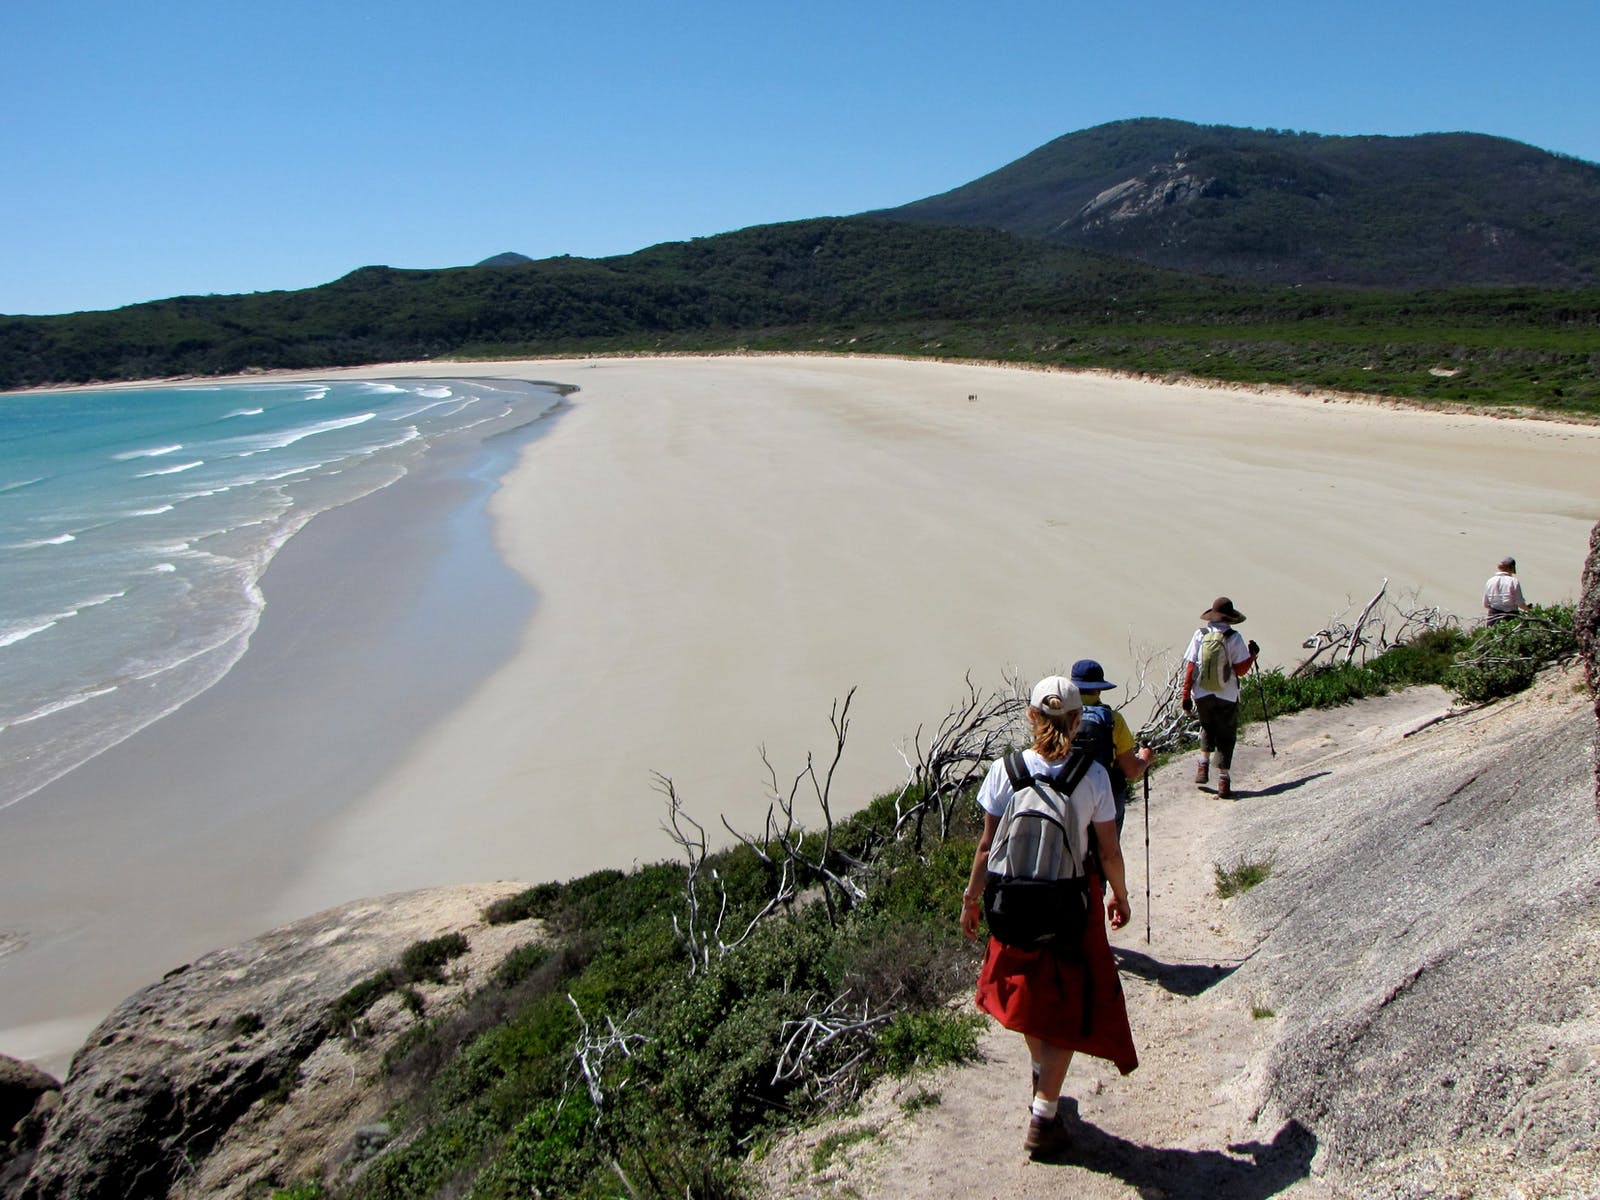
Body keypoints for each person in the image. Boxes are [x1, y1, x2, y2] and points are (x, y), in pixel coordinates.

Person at [960, 676, 1138, 1159]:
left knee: (1029, 997)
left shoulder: (1006, 770)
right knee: (1068, 1004)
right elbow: (1109, 850)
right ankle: (1044, 1114)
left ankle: (1042, 1081)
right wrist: (1119, 895)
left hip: (1011, 902)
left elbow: (984, 846)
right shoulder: (1093, 775)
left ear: (1031, 716)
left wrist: (971, 899)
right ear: (1079, 722)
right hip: (1070, 903)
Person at [1180, 597, 1258, 800]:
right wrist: (1252, 655)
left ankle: (1203, 767)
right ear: (1230, 618)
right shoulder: (1234, 637)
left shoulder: (1200, 634)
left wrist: (1186, 695)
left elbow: (1190, 667)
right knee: (1226, 734)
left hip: (1202, 692)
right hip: (1227, 693)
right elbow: (1240, 670)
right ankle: (1223, 780)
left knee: (1206, 726)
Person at [1069, 659, 1155, 834]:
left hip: (1068, 795)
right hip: (1105, 797)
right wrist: (1145, 759)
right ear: (1099, 688)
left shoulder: (1061, 717)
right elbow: (1131, 771)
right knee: (1108, 852)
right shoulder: (1113, 720)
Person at [1484, 556, 1532, 624]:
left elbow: (1485, 604)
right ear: (1512, 568)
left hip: (1493, 617)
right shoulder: (1513, 581)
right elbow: (1520, 603)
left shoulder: (1490, 581)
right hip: (1510, 617)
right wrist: (1529, 610)